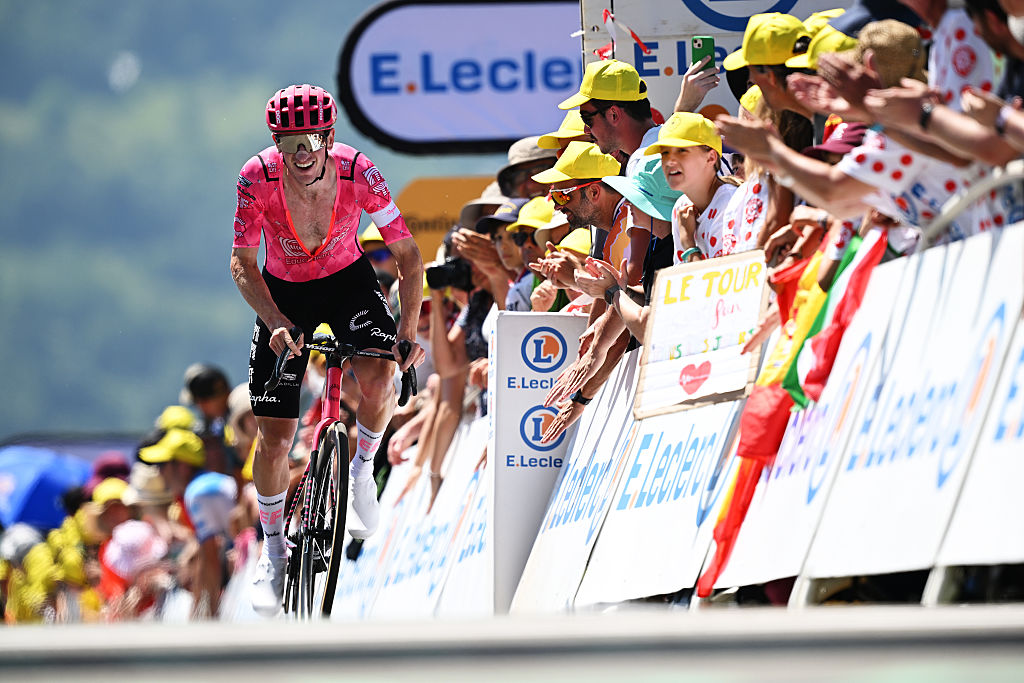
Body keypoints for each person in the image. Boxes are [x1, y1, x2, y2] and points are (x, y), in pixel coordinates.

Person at [230, 84, 424, 617]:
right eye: (288, 143)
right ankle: (273, 550)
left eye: (311, 142)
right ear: (276, 143)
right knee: (275, 439)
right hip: (284, 292)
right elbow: (242, 263)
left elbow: (409, 257)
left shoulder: (359, 171)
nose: (300, 154)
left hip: (347, 283)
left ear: (330, 136)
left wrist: (408, 330)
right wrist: (274, 321)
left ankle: (362, 470)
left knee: (380, 378)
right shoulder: (256, 177)